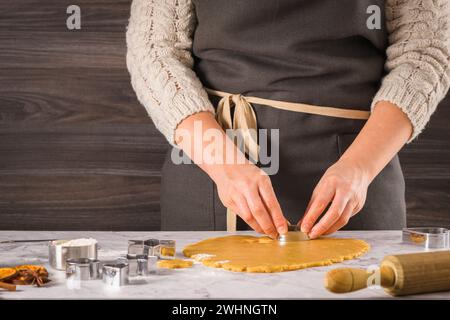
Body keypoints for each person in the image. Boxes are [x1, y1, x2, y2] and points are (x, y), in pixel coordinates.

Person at [126, 0, 450, 239]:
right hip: (211, 165)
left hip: (359, 169)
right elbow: (154, 49)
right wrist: (224, 166)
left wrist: (359, 168)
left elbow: (425, 53)